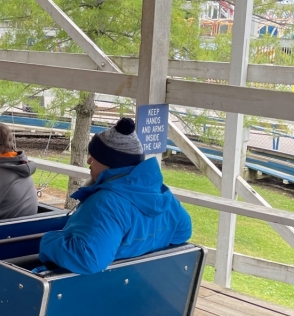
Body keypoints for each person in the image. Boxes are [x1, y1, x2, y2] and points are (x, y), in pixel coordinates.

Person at [37, 118, 193, 275]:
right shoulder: (162, 195)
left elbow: (88, 259)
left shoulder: (106, 203)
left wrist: (48, 241)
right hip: (140, 281)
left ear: (110, 164)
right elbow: (182, 232)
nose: (89, 161)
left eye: (94, 157)